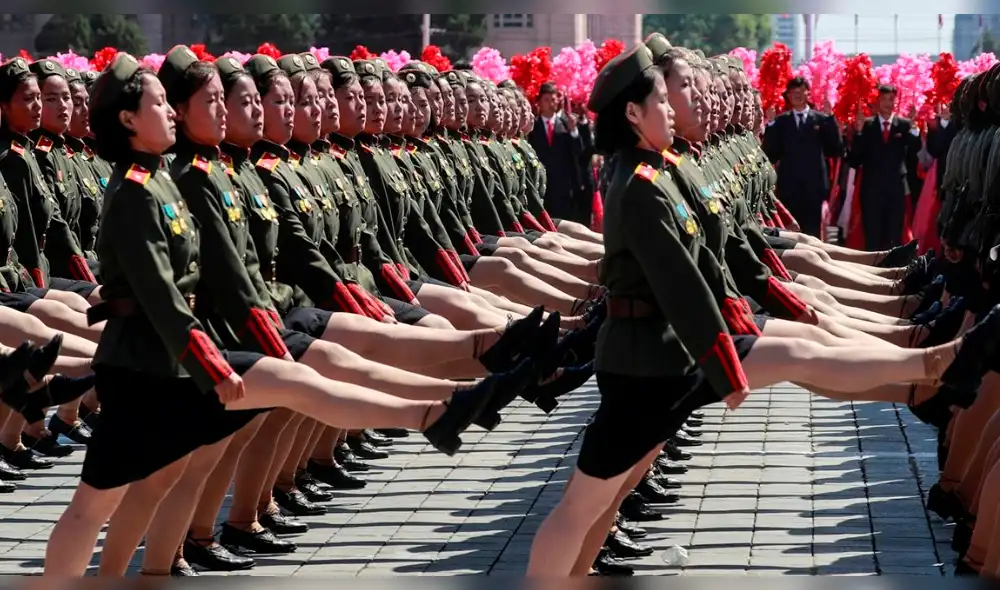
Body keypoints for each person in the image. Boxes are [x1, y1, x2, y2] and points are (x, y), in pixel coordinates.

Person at [25, 52, 518, 578]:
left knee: (177, 466)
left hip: (173, 365)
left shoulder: (161, 180)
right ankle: (437, 411)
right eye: (161, 104)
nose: (171, 113)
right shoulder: (133, 194)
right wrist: (212, 363)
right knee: (96, 503)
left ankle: (437, 412)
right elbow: (162, 297)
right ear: (128, 120)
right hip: (145, 371)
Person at [525, 42, 1000, 578]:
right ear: (632, 114)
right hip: (646, 365)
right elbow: (683, 286)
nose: (675, 108)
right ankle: (936, 365)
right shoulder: (639, 187)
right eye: (663, 99)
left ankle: (937, 365)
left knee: (796, 353)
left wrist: (740, 324)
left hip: (672, 353)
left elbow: (715, 258)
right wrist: (728, 368)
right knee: (587, 503)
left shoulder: (665, 170)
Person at [762, 76, 843, 237]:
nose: (797, 95)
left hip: (814, 186)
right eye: (793, 92)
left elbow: (835, 149)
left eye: (801, 91)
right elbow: (770, 153)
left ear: (808, 93)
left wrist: (831, 120)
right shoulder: (780, 122)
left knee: (812, 231)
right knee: (791, 231)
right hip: (789, 187)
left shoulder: (821, 119)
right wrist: (769, 124)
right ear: (787, 96)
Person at [847, 84, 922, 251]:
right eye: (884, 99)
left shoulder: (904, 125)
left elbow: (913, 157)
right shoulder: (866, 125)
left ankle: (894, 271)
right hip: (871, 190)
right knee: (872, 236)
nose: (888, 103)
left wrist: (915, 133)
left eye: (891, 99)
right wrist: (858, 134)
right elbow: (854, 160)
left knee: (895, 236)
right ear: (877, 101)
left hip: (896, 189)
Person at [528, 82, 584, 223]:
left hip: (563, 186)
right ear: (539, 102)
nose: (550, 104)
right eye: (546, 100)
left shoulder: (566, 124)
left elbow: (578, 151)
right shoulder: (532, 126)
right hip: (542, 185)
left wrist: (573, 131)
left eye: (553, 100)